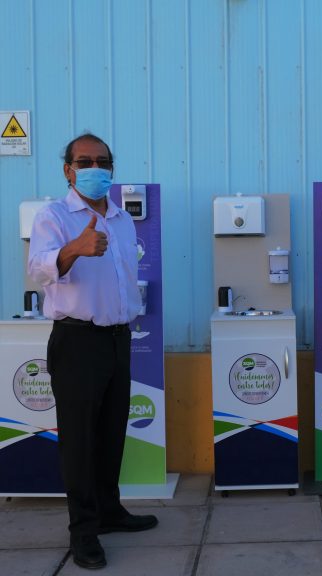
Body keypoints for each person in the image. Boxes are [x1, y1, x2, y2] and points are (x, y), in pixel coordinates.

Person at [28, 133, 158, 569]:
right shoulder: (55, 216)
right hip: (77, 340)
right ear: (68, 169)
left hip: (118, 338)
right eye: (84, 161)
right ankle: (83, 531)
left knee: (111, 431)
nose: (95, 168)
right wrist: (75, 249)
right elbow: (37, 270)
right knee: (79, 441)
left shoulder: (121, 218)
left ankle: (109, 510)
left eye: (102, 161)